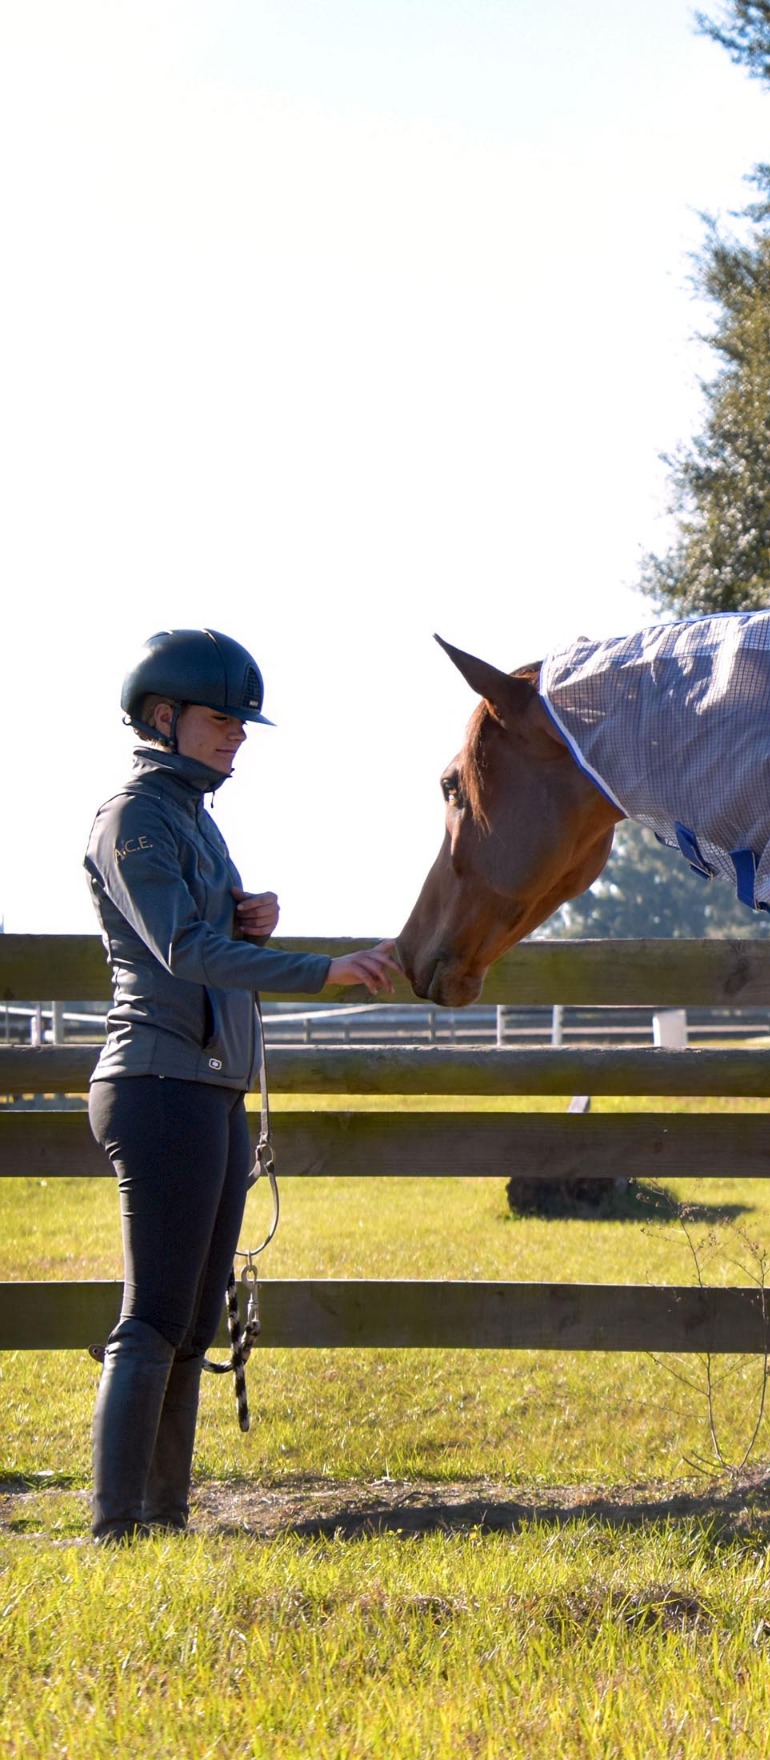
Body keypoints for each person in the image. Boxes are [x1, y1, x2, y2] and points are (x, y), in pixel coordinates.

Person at [82, 629, 400, 1541]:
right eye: (224, 720)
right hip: (158, 1084)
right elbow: (181, 949)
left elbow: (205, 931)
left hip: (208, 1086)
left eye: (242, 721)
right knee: (151, 1318)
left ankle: (162, 1518)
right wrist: (321, 969)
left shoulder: (190, 817)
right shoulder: (134, 816)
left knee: (190, 1323)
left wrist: (247, 917)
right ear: (163, 717)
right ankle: (115, 1530)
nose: (239, 736)